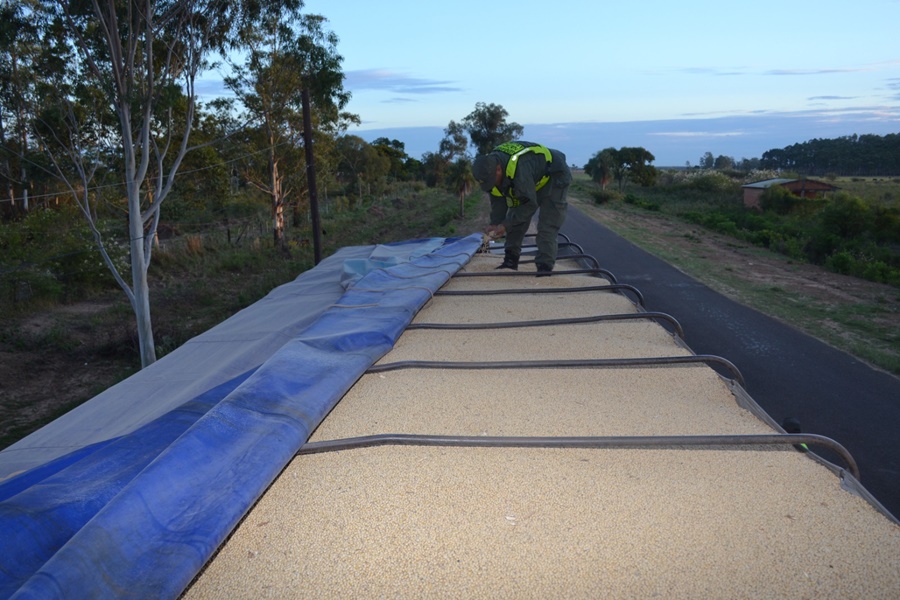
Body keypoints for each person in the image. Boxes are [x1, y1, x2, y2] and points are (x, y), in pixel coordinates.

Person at [471, 141, 572, 275]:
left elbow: (529, 205)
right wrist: (495, 223)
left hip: (554, 176)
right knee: (515, 218)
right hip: (531, 179)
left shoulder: (519, 169)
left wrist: (505, 225)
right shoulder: (490, 168)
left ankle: (544, 268)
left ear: (498, 169)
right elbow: (497, 199)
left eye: (492, 181)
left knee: (547, 226)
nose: (492, 184)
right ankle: (510, 261)